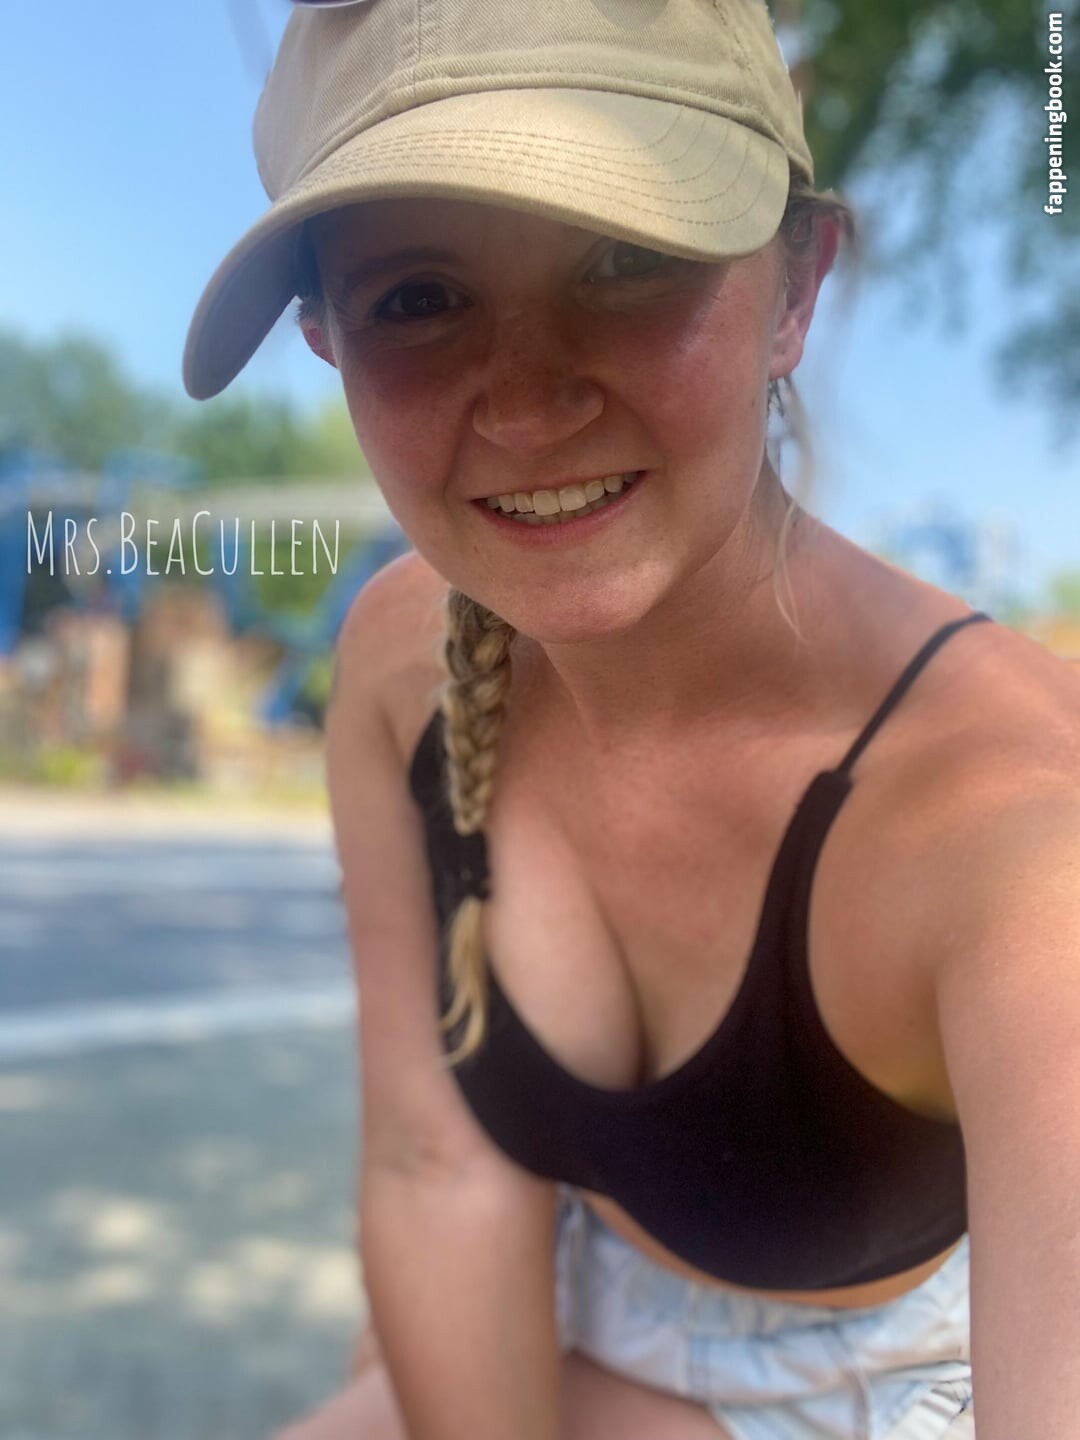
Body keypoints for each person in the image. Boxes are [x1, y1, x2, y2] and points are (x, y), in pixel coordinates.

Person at [183, 2, 1080, 1436]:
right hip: (572, 1301)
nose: (528, 405)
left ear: (795, 289)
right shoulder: (401, 663)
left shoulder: (1021, 831)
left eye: (628, 258)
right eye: (418, 298)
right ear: (326, 340)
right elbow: (435, 1164)